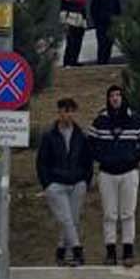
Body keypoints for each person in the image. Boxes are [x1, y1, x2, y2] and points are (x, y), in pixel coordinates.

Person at [87, 85, 140, 266]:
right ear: (108, 99)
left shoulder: (135, 119)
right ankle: (110, 252)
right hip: (107, 173)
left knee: (128, 213)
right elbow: (90, 143)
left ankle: (128, 252)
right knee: (109, 214)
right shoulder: (101, 120)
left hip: (129, 172)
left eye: (118, 95)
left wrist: (133, 157)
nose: (115, 98)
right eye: (112, 96)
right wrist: (103, 158)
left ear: (123, 98)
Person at [36, 96, 94, 266]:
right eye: (64, 111)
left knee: (72, 219)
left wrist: (85, 180)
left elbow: (87, 160)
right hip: (56, 183)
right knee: (66, 219)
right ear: (59, 113)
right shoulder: (49, 136)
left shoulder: (80, 136)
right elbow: (41, 161)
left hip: (77, 183)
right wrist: (47, 184)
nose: (67, 115)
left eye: (70, 112)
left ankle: (61, 252)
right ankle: (77, 250)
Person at [89, 0, 123, 65]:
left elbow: (118, 11)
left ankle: (106, 62)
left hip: (111, 25)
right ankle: (101, 63)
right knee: (102, 44)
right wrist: (97, 22)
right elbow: (93, 10)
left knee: (109, 45)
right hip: (101, 25)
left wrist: (117, 21)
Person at [59, 0, 89, 68]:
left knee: (77, 42)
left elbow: (83, 9)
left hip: (79, 21)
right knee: (71, 42)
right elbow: (65, 0)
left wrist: (84, 22)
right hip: (70, 20)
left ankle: (74, 61)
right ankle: (67, 62)